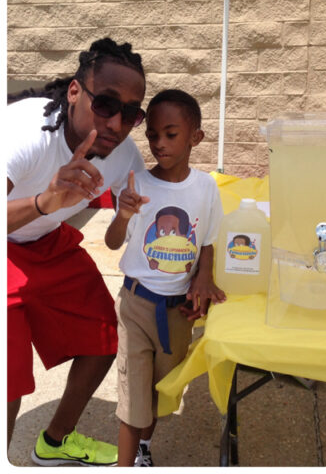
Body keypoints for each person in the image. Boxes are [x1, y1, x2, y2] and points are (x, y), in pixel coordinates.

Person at [7, 38, 148, 466]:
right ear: (74, 92)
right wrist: (43, 203)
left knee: (105, 337)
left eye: (131, 113)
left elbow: (158, 214)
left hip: (44, 243)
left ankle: (55, 441)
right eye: (105, 103)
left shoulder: (123, 155)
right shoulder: (26, 134)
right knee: (8, 381)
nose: (116, 122)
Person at [104, 89, 225, 467]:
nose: (158, 143)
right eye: (152, 135)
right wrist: (122, 214)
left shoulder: (205, 187)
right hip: (135, 305)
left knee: (160, 390)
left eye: (170, 134)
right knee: (132, 397)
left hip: (177, 312)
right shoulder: (137, 184)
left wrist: (202, 279)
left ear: (196, 137)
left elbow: (207, 239)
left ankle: (144, 445)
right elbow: (111, 242)